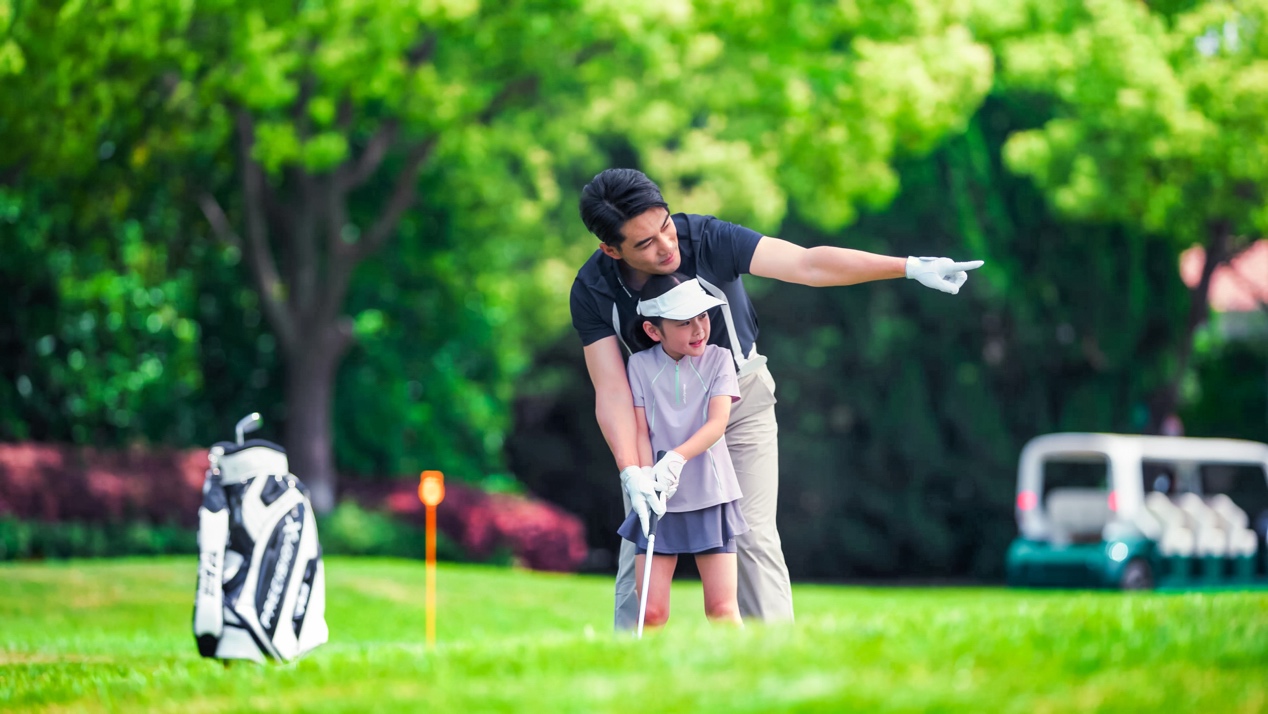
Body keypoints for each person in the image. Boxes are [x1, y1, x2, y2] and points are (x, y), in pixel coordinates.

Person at [570, 167, 982, 630]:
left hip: (740, 401)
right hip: (657, 415)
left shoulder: (707, 238)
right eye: (645, 243)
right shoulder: (593, 289)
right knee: (643, 538)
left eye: (665, 226)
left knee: (751, 535)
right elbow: (612, 390)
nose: (666, 246)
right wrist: (631, 471)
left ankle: (773, 656)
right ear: (611, 250)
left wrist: (908, 266)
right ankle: (628, 662)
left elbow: (807, 264)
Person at [615, 273, 749, 628]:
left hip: (711, 493)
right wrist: (646, 475)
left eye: (702, 316)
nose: (699, 329)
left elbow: (717, 424)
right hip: (659, 497)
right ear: (653, 330)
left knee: (722, 610)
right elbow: (640, 430)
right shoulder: (639, 365)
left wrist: (676, 458)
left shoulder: (719, 359)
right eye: (684, 322)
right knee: (651, 614)